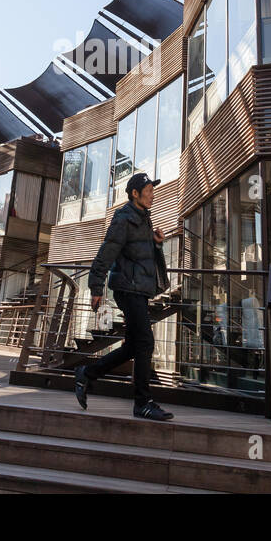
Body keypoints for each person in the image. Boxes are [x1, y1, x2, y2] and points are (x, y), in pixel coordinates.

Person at [74, 172, 174, 421]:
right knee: (146, 343)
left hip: (139, 290)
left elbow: (141, 254)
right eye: (148, 191)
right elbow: (106, 253)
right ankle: (143, 403)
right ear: (135, 194)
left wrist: (158, 244)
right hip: (127, 289)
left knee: (133, 345)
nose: (152, 195)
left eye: (153, 190)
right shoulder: (123, 219)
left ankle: (87, 373)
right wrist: (96, 288)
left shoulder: (143, 219)